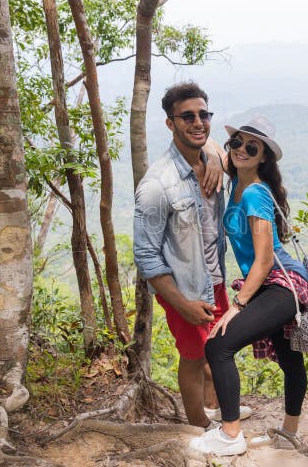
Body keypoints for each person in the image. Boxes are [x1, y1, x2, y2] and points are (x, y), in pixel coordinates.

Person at [189, 116, 308, 456]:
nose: (242, 149)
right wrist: (216, 154)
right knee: (289, 359)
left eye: (251, 147)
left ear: (264, 158)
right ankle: (289, 432)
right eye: (237, 143)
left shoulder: (256, 193)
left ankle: (230, 436)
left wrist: (238, 305)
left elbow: (264, 260)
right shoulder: (238, 179)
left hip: (281, 283)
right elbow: (211, 146)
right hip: (268, 285)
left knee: (218, 345)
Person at [133, 81, 251, 428]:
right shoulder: (158, 185)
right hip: (181, 284)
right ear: (170, 123)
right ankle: (198, 424)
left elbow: (223, 148)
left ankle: (215, 410)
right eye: (187, 117)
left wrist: (214, 155)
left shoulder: (212, 162)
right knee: (193, 353)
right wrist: (182, 303)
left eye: (203, 114)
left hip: (212, 276)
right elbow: (147, 257)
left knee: (217, 347)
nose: (198, 122)